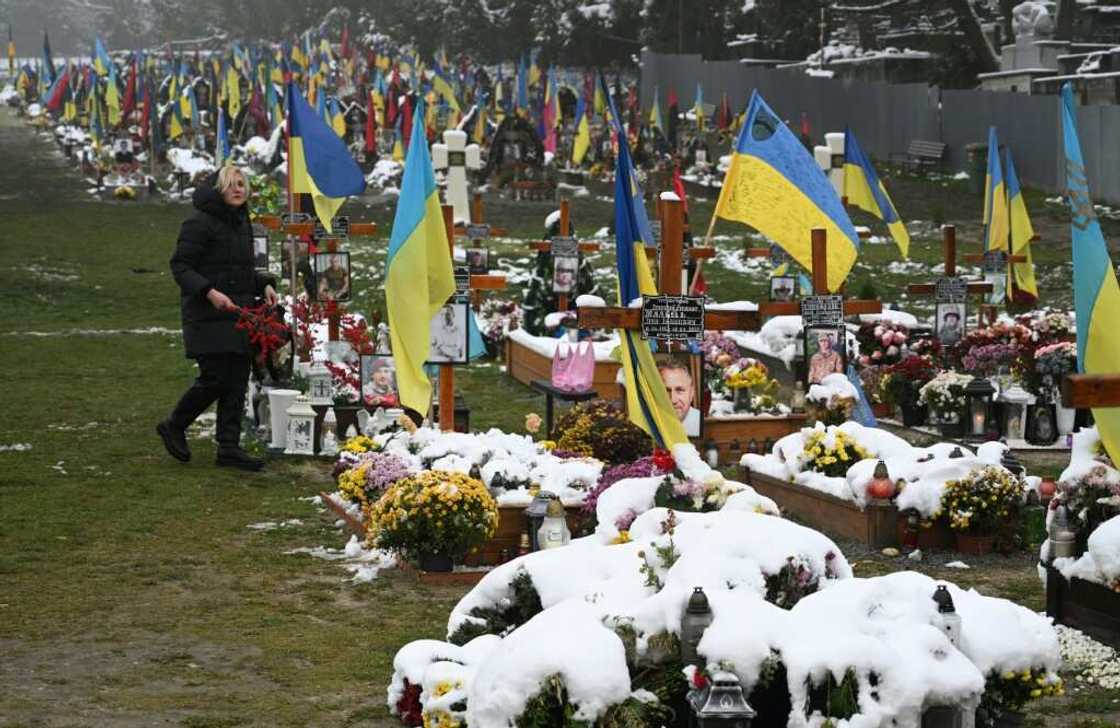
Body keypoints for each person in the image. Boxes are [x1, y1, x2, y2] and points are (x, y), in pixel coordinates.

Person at [158, 166, 276, 471]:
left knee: (237, 378)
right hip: (207, 312)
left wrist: (263, 283)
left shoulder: (240, 221)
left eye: (241, 185)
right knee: (215, 377)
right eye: (231, 185)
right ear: (219, 190)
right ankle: (174, 424)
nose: (238, 190)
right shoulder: (199, 222)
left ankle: (228, 447)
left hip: (238, 313)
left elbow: (239, 268)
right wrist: (209, 292)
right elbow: (181, 266)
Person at [658, 361, 701, 437]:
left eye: (680, 390)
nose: (673, 400)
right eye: (665, 391)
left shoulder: (700, 422)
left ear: (691, 393)